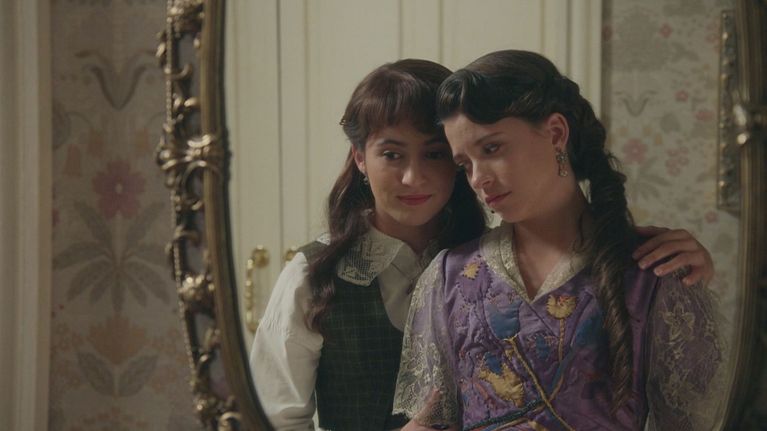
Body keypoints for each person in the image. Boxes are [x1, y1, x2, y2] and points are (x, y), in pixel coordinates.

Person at [250, 59, 716, 431]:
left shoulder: (473, 259)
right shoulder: (429, 274)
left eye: (438, 155)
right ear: (360, 158)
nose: (414, 177)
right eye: (391, 154)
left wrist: (682, 271)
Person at [393, 50, 724, 431]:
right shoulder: (450, 278)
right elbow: (433, 424)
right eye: (464, 164)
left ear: (555, 133)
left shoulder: (651, 274)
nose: (478, 178)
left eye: (492, 148)